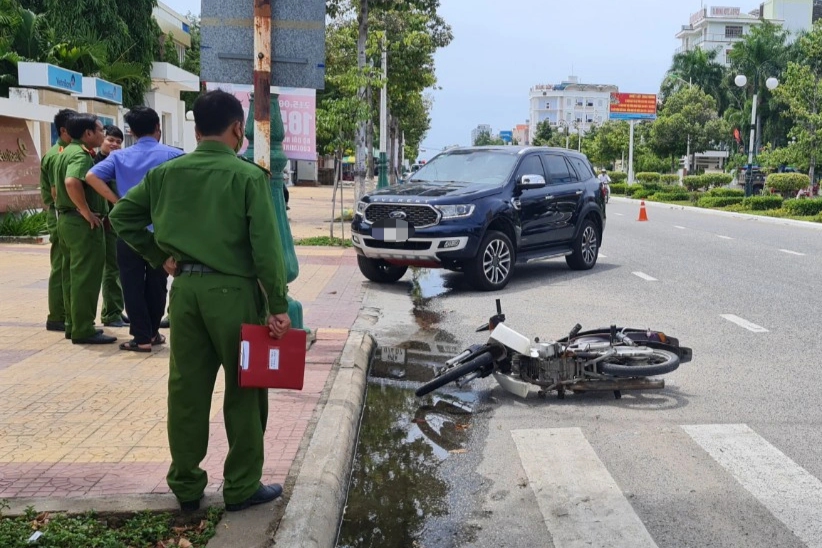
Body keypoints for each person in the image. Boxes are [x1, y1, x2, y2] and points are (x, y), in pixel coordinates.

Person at [109, 90, 291, 512]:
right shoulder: (248, 177)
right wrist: (278, 305)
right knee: (246, 389)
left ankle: (187, 485)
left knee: (187, 391)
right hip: (235, 294)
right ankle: (241, 486)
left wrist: (158, 255)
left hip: (186, 293)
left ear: (196, 131)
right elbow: (267, 249)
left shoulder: (166, 174)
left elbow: (122, 217)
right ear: (237, 129)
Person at [86, 107, 182, 352]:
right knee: (158, 283)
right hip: (162, 231)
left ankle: (141, 338)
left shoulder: (119, 157)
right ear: (158, 128)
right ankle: (153, 332)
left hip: (128, 231)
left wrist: (118, 202)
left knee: (131, 283)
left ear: (132, 132)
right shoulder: (175, 155)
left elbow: (91, 176)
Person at [53, 114, 116, 344]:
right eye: (99, 130)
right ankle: (83, 329)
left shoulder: (64, 152)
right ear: (87, 133)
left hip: (66, 221)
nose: (102, 134)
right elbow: (71, 182)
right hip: (81, 224)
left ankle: (73, 324)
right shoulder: (80, 155)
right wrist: (86, 211)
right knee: (86, 277)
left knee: (71, 275)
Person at [40, 108, 75, 332]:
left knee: (65, 265)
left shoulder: (64, 151)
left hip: (60, 214)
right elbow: (55, 193)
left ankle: (63, 313)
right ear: (64, 130)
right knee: (61, 266)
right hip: (59, 214)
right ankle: (57, 316)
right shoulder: (57, 155)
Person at [93, 125, 128, 328]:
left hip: (117, 223)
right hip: (106, 222)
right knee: (111, 268)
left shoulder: (117, 163)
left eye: (118, 141)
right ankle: (111, 313)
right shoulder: (96, 164)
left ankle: (115, 309)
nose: (114, 144)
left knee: (118, 267)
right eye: (110, 140)